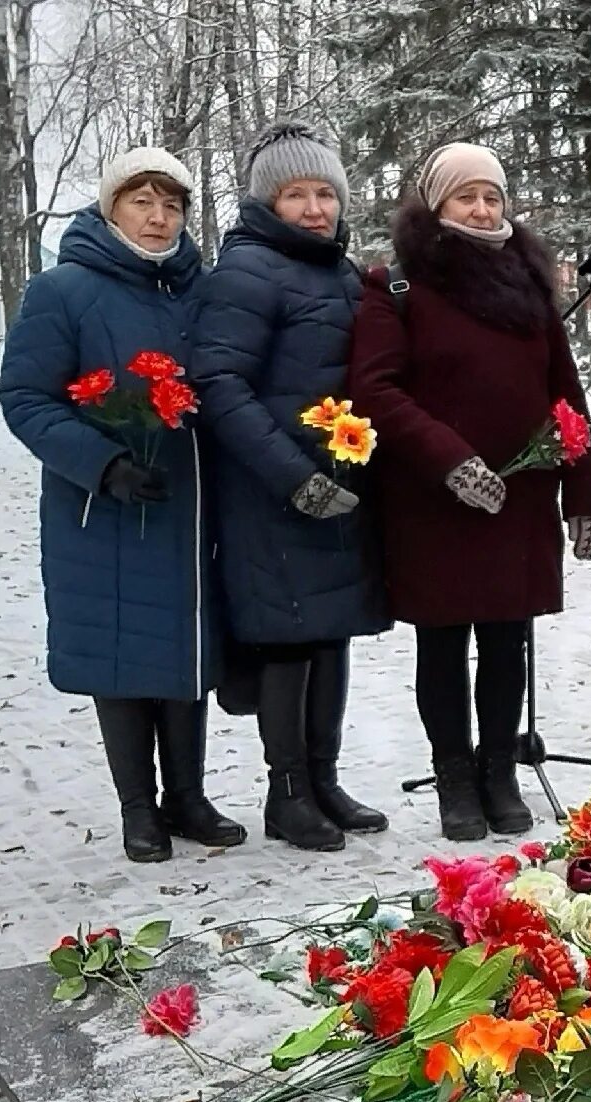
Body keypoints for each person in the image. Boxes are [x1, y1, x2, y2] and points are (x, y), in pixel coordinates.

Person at [348, 142, 591, 838]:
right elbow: (375, 389)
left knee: (505, 642)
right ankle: (454, 779)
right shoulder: (398, 288)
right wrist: (449, 459)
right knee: (443, 644)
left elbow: (566, 394)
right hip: (435, 500)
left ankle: (499, 769)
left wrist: (584, 492)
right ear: (436, 206)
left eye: (492, 196)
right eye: (466, 196)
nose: (482, 208)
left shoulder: (528, 288)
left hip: (520, 496)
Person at [0, 147, 240, 864]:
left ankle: (187, 796)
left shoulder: (202, 290)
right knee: (121, 650)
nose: (159, 216)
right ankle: (138, 806)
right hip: (103, 507)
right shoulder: (63, 290)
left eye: (172, 204)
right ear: (111, 208)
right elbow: (25, 397)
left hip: (191, 501)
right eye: (143, 201)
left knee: (186, 646)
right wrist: (102, 463)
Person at [188, 122, 392, 851]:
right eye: (297, 194)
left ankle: (325, 779)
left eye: (325, 193)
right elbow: (218, 383)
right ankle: (288, 793)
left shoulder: (335, 271)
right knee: (287, 642)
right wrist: (293, 477)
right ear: (267, 203)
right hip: (273, 493)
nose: (315, 208)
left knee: (331, 634)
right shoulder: (247, 271)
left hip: (335, 484)